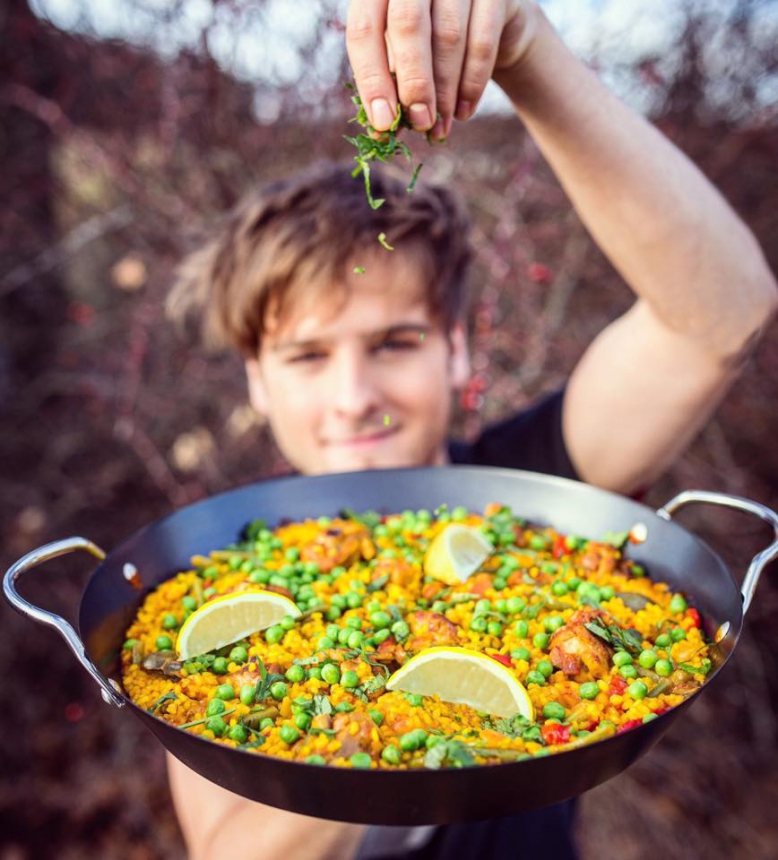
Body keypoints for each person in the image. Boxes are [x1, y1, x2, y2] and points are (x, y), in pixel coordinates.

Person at [164, 2, 777, 858]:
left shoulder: (538, 492)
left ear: (457, 348)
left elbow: (722, 319)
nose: (354, 397)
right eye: (307, 356)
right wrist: (383, 704)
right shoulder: (219, 577)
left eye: (395, 343)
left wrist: (526, 49)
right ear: (255, 380)